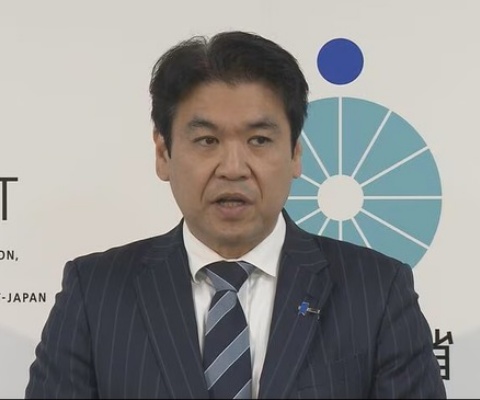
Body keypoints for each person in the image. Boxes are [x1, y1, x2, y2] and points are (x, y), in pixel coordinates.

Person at [25, 31, 446, 399]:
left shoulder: (376, 291)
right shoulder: (95, 293)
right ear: (163, 153)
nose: (233, 168)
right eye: (207, 140)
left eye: (259, 140)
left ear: (295, 154)